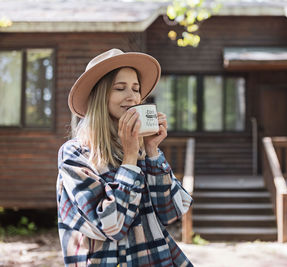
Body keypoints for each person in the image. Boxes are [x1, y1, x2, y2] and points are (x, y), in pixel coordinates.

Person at [56, 48, 193, 267]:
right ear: (100, 97)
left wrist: (152, 152)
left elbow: (171, 212)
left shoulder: (142, 150)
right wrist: (130, 160)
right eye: (120, 88)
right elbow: (111, 226)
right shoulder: (75, 154)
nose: (132, 96)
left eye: (136, 89)